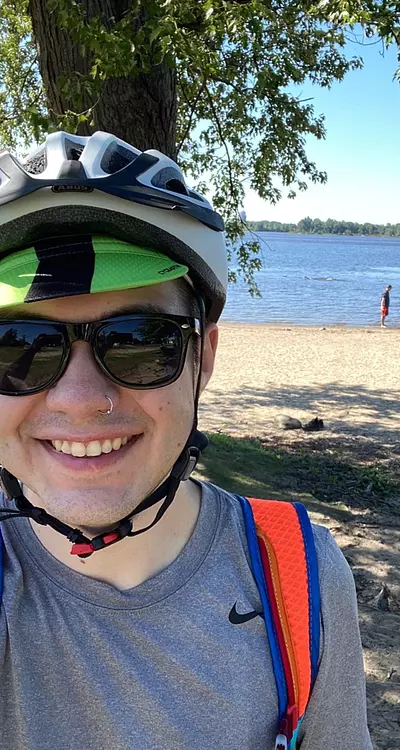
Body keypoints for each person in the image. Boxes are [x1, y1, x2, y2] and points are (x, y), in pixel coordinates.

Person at [0, 131, 372, 749]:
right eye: (18, 346)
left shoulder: (296, 576)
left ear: (203, 355)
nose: (79, 398)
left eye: (139, 339)